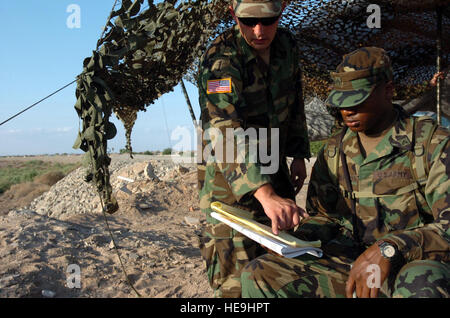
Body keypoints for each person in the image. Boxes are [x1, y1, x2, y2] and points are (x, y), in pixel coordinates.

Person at [240, 47, 450, 298]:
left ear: (388, 91)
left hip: (407, 268)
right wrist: (293, 240)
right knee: (260, 273)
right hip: (350, 266)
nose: (347, 110)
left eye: (358, 100)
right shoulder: (334, 151)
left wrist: (392, 247)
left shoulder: (432, 144)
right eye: (341, 102)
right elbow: (326, 218)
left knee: (422, 283)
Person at [196, 0, 311, 297]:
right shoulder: (220, 59)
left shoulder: (287, 46)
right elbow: (223, 130)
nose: (259, 31)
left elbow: (295, 100)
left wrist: (298, 154)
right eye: (249, 22)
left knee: (277, 270)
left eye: (268, 20)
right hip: (229, 185)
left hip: (274, 168)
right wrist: (265, 194)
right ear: (234, 15)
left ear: (281, 10)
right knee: (235, 278)